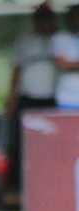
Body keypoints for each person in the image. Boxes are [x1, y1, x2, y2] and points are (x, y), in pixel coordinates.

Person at [6, 3, 57, 192]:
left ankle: (50, 184)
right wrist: (11, 99)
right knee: (22, 146)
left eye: (47, 19)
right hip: (29, 100)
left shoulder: (57, 40)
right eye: (40, 19)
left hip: (52, 101)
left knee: (51, 146)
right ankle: (18, 189)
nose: (44, 23)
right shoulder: (25, 42)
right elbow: (16, 72)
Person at [52, 5, 79, 109]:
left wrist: (71, 64)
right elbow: (61, 64)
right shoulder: (60, 38)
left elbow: (66, 64)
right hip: (67, 97)